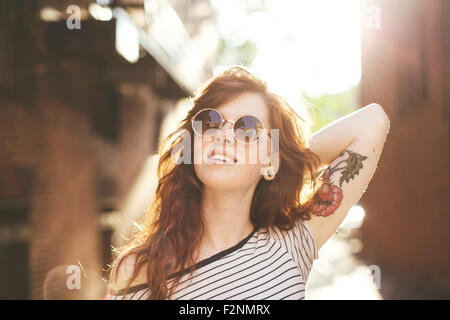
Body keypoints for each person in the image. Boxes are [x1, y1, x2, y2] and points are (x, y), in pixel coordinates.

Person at [104, 66, 390, 300]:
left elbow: (372, 122)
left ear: (270, 158)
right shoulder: (137, 270)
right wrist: (256, 159)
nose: (224, 135)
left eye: (248, 128)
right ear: (192, 145)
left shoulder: (292, 243)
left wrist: (279, 165)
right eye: (211, 122)